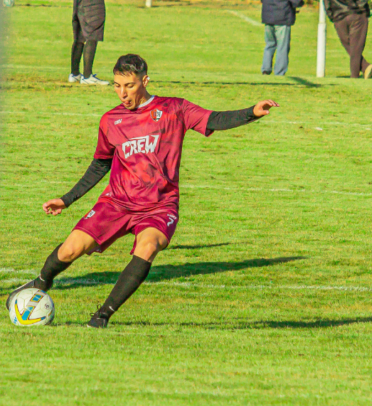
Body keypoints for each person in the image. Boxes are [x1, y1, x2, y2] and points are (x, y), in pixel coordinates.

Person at [6, 54, 278, 328]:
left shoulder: (174, 109)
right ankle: (40, 283)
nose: (122, 93)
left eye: (129, 86)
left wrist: (251, 113)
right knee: (69, 251)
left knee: (148, 247)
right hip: (116, 203)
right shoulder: (111, 120)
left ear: (145, 81)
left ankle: (101, 317)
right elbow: (100, 165)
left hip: (159, 207)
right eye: (116, 86)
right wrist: (67, 199)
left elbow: (214, 119)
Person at [260, 0, 304, 76]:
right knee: (282, 47)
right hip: (282, 18)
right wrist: (300, 3)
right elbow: (296, 0)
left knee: (270, 44)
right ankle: (279, 72)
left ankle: (265, 69)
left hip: (268, 17)